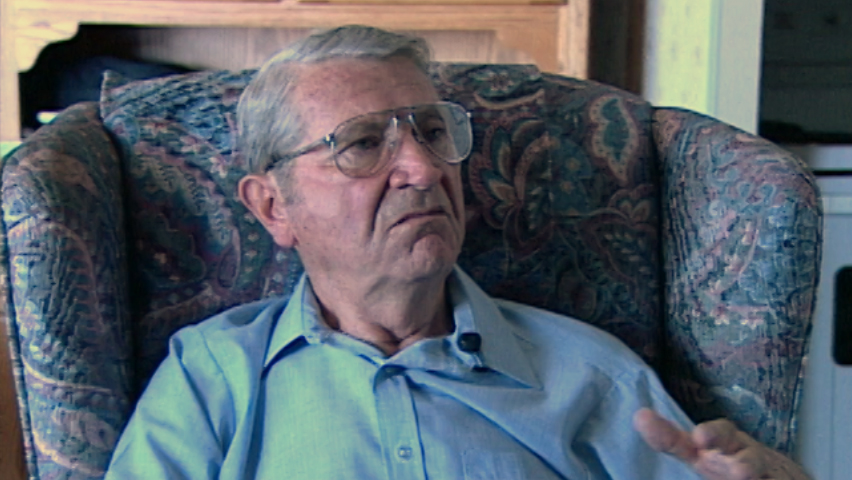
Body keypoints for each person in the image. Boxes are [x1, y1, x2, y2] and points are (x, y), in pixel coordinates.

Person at [105, 25, 810, 480]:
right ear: (272, 207)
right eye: (363, 144)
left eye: (434, 133)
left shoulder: (590, 377)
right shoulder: (212, 379)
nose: (423, 168)